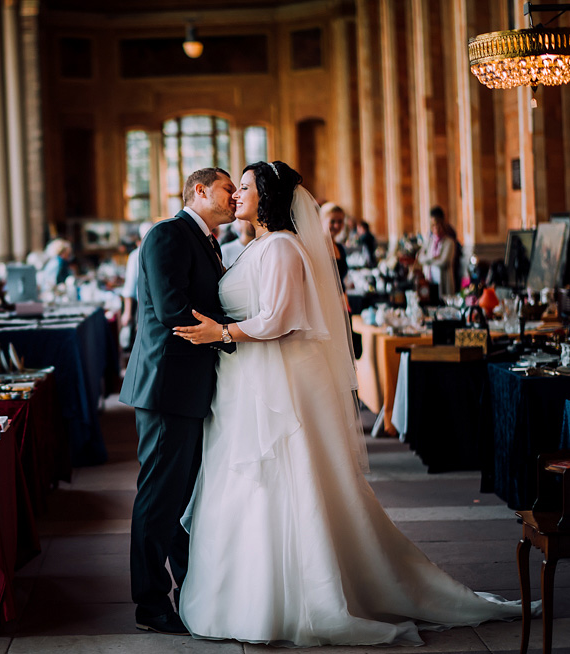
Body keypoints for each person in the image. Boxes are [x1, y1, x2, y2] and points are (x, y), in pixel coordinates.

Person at [172, 161, 529, 646]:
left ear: (268, 198)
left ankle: (294, 600)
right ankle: (242, 592)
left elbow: (282, 317)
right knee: (245, 481)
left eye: (246, 188)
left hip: (269, 382)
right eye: (234, 188)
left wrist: (223, 332)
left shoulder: (281, 247)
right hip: (243, 384)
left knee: (282, 478)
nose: (236, 194)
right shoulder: (253, 247)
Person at [118, 167, 237, 636]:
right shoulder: (168, 234)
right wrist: (233, 337)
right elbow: (171, 310)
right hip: (166, 386)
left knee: (181, 499)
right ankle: (149, 602)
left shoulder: (209, 241)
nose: (233, 197)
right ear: (201, 190)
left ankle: (188, 587)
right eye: (228, 189)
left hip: (187, 388)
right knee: (159, 499)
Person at [119, 222, 153, 351]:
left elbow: (129, 288)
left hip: (145, 307)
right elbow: (129, 289)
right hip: (146, 307)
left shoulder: (136, 255)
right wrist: (127, 313)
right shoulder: (136, 255)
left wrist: (127, 313)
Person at [418, 213, 457, 296]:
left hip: (443, 279)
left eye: (439, 226)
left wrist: (428, 260)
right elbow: (420, 257)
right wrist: (433, 259)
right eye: (434, 226)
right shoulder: (429, 241)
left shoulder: (449, 242)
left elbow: (444, 262)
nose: (436, 228)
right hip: (429, 278)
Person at [321, 202, 349, 285]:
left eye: (340, 221)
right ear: (321, 221)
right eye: (332, 221)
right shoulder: (318, 248)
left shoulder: (340, 248)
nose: (336, 226)